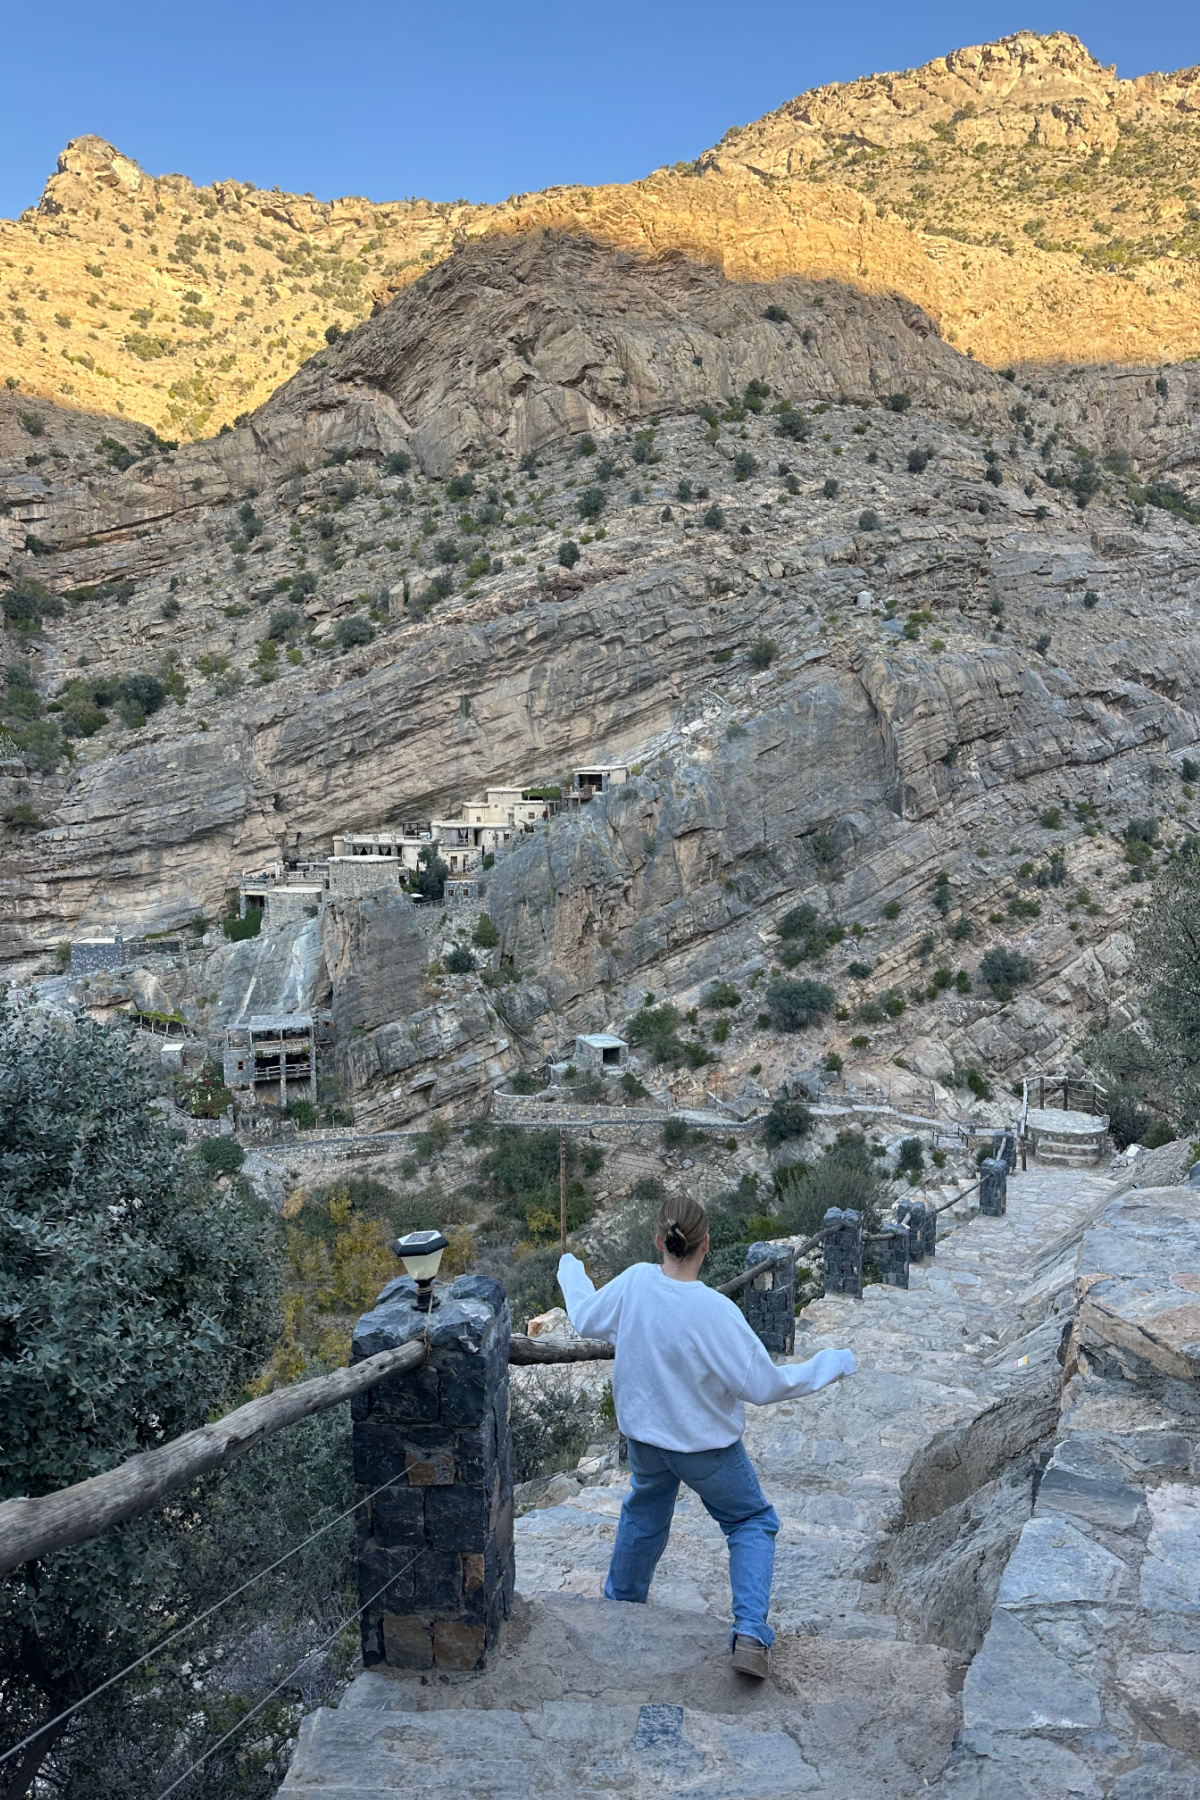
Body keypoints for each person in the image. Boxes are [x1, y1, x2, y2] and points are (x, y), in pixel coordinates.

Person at [557, 1193, 855, 1681]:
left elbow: (586, 1317)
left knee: (645, 1511)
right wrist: (834, 1363)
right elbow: (765, 1385)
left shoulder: (635, 1283)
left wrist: (570, 1268)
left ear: (658, 1241)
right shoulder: (713, 1311)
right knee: (751, 1521)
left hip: (647, 1444)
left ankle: (620, 1608)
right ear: (706, 1245)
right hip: (705, 1449)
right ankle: (751, 1634)